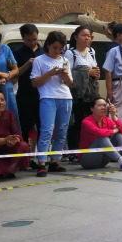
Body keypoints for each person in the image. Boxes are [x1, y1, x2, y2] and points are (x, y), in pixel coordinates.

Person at [30, 31, 73, 177]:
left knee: (62, 130)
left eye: (60, 48)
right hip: (47, 97)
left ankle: (55, 160)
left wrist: (64, 74)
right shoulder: (39, 60)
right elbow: (34, 83)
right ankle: (42, 162)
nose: (57, 51)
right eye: (54, 47)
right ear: (48, 45)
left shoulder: (65, 60)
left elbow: (70, 84)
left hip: (65, 97)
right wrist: (50, 73)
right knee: (47, 130)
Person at [79, 97, 122, 171]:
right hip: (87, 161)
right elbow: (100, 133)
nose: (103, 107)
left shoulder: (107, 119)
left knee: (119, 136)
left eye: (104, 105)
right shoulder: (86, 121)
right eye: (99, 105)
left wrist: (114, 116)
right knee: (102, 138)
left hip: (104, 160)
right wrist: (114, 130)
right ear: (92, 109)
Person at [65, 25, 99, 150]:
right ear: (76, 37)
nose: (87, 38)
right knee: (77, 122)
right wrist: (86, 73)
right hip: (77, 94)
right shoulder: (71, 53)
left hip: (91, 93)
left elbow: (94, 68)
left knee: (91, 121)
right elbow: (68, 72)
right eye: (84, 35)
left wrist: (95, 73)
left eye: (89, 36)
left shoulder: (92, 51)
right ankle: (74, 149)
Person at [13, 24, 42, 144]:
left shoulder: (44, 51)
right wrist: (27, 64)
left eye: (34, 39)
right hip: (25, 94)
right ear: (23, 38)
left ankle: (41, 157)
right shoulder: (17, 53)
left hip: (42, 94)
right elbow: (14, 74)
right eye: (28, 40)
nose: (32, 42)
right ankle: (24, 155)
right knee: (24, 125)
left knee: (42, 126)